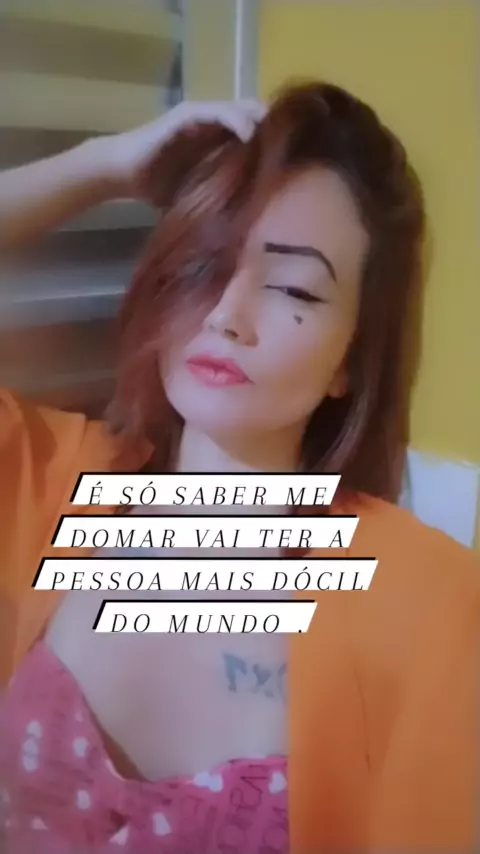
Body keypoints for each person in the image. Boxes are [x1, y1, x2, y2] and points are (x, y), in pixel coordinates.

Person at [0, 82, 479, 854]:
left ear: (349, 359)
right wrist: (101, 166)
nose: (227, 314)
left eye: (293, 288)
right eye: (206, 263)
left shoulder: (433, 608)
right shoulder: (45, 481)